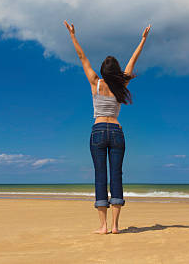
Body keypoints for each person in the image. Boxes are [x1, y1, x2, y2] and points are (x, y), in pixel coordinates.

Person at [63, 20, 150, 234]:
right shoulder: (122, 84)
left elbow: (82, 57)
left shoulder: (95, 82)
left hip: (98, 130)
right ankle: (115, 226)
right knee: (117, 175)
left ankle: (102, 226)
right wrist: (143, 40)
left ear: (103, 70)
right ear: (117, 70)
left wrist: (73, 35)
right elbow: (133, 60)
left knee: (100, 175)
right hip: (117, 131)